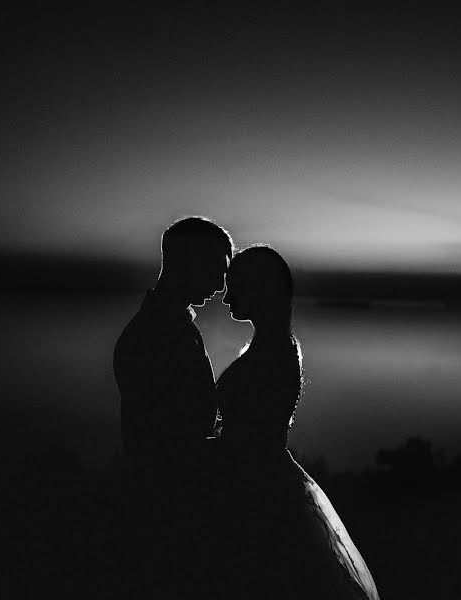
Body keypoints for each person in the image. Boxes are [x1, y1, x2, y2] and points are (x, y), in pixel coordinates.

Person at [216, 245, 380, 600]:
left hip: (255, 486)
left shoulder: (273, 352)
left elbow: (254, 431)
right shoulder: (273, 345)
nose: (227, 298)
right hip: (258, 476)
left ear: (259, 289)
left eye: (235, 286)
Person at [112, 216, 233, 596]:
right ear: (186, 262)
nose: (219, 285)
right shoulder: (154, 335)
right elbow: (162, 445)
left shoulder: (171, 326)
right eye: (216, 270)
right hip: (170, 517)